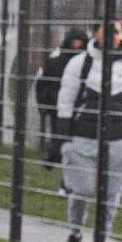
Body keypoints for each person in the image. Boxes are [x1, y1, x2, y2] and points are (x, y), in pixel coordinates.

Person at [52, 20, 122, 242]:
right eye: (108, 30)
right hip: (83, 137)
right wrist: (62, 136)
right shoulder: (80, 63)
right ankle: (75, 233)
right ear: (96, 33)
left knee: (111, 195)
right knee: (81, 190)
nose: (113, 36)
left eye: (117, 31)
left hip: (117, 139)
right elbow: (66, 98)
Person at [35, 27, 89, 167]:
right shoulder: (54, 62)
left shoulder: (87, 63)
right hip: (57, 105)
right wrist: (42, 104)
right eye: (74, 42)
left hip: (79, 106)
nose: (77, 46)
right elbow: (41, 85)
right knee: (58, 132)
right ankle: (56, 155)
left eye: (80, 43)